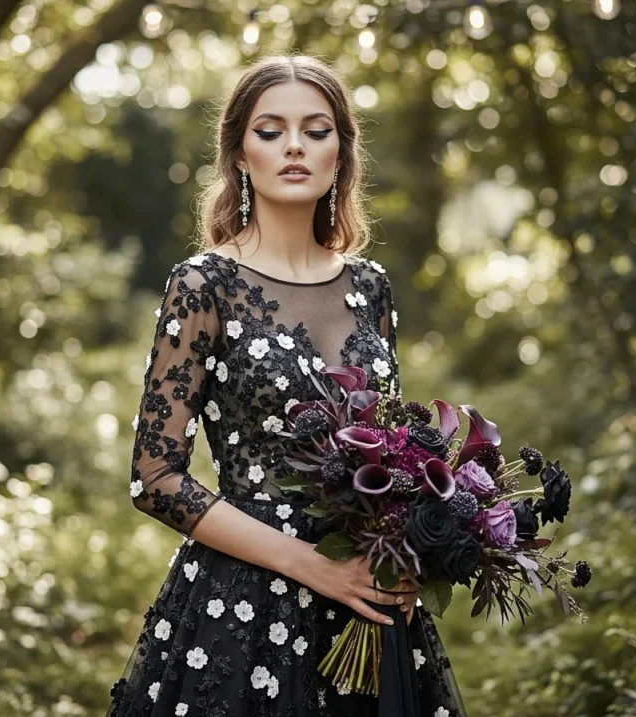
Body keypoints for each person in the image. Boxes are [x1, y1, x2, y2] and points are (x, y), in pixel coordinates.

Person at [106, 54, 468, 717]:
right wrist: (313, 566)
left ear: (341, 154)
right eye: (271, 131)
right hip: (243, 605)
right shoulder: (203, 285)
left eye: (316, 130)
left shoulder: (371, 287)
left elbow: (389, 453)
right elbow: (155, 478)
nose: (295, 146)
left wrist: (414, 543)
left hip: (368, 604)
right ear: (239, 155)